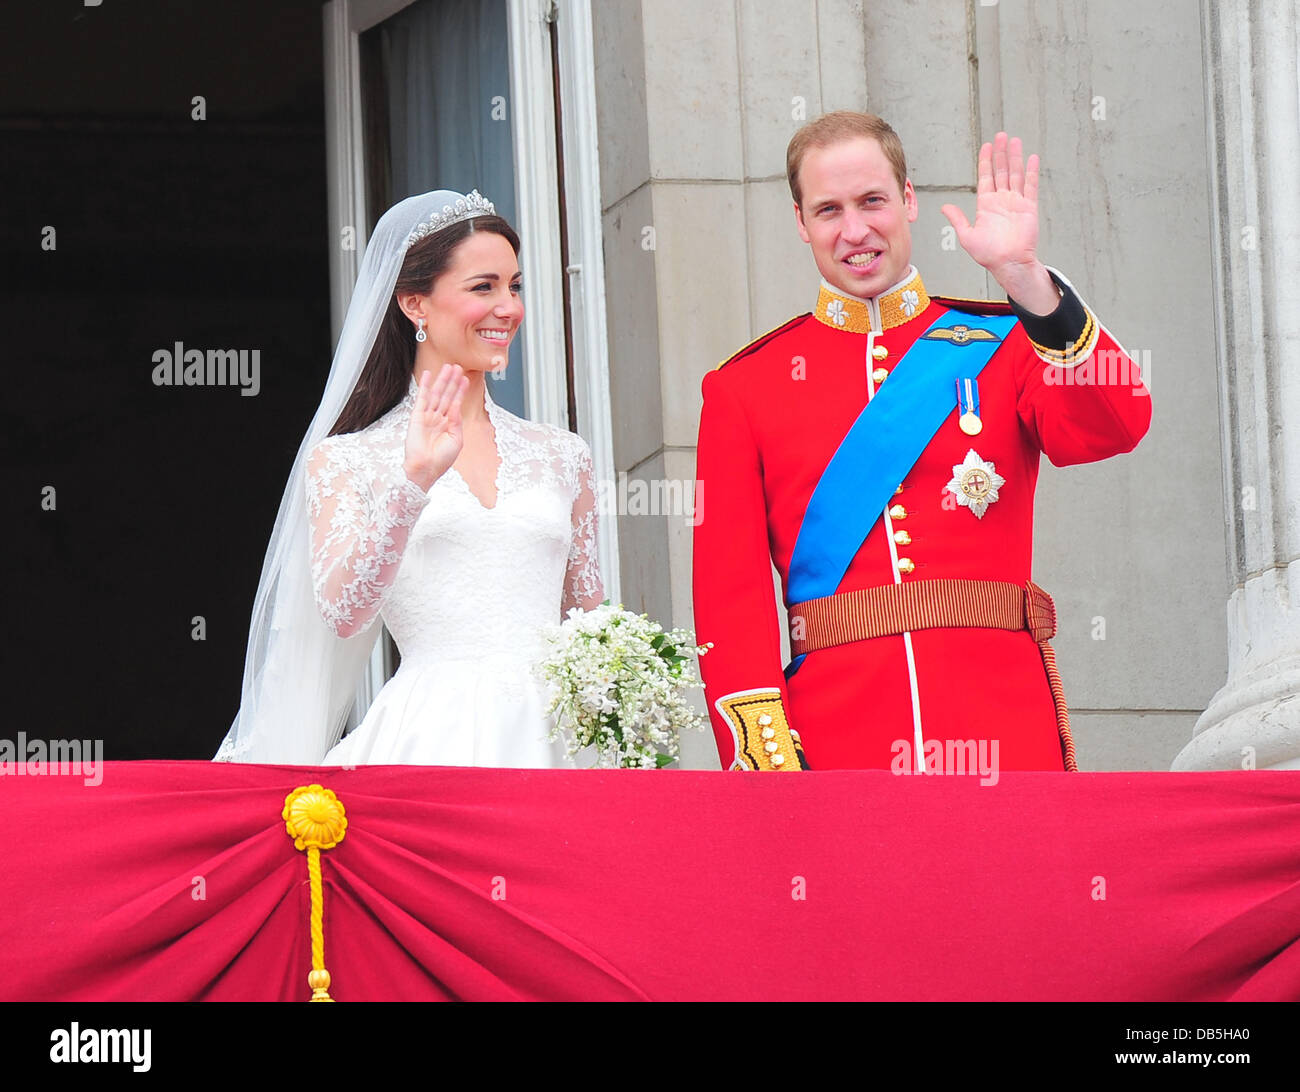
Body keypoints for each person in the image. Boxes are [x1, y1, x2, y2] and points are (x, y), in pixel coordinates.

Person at [691, 112, 1151, 773]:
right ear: (800, 223)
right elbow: (728, 597)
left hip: (1003, 727)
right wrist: (770, 767)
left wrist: (1026, 280)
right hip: (838, 746)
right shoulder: (745, 388)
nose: (854, 231)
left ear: (908, 201)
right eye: (829, 210)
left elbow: (1116, 422)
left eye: (872, 201)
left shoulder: (1004, 347)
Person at [216, 189, 603, 766]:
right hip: (433, 740)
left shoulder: (563, 456)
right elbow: (345, 613)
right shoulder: (350, 460)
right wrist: (413, 482)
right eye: (483, 287)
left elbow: (590, 628)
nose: (509, 308)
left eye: (514, 285)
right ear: (415, 305)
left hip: (558, 742)